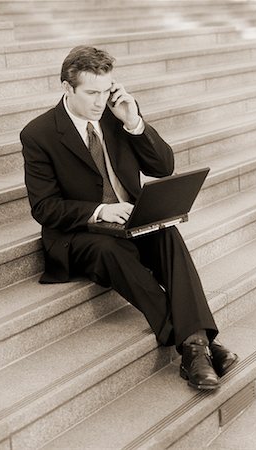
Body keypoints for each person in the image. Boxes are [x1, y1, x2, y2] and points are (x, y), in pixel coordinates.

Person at [21, 45, 238, 391]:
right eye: (92, 92)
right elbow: (44, 208)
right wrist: (101, 211)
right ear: (66, 87)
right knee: (111, 251)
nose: (99, 101)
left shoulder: (116, 115)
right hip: (81, 233)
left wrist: (134, 122)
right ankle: (198, 345)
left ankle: (194, 346)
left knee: (167, 232)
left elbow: (163, 167)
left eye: (106, 90)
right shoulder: (39, 134)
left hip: (131, 219)